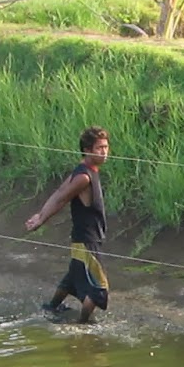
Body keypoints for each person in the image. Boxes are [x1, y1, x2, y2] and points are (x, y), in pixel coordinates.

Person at [25, 127, 111, 324]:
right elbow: (61, 198)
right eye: (99, 148)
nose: (104, 152)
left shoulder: (85, 171)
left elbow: (59, 192)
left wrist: (40, 214)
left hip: (82, 240)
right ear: (87, 150)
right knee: (100, 290)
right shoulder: (84, 177)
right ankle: (83, 325)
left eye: (106, 147)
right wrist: (41, 218)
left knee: (74, 277)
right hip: (88, 241)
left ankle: (51, 307)